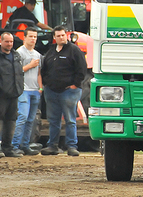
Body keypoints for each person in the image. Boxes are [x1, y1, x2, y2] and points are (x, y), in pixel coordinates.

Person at [40, 26, 87, 156]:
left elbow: (82, 69)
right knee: (53, 120)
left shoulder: (74, 51)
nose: (61, 37)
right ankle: (52, 146)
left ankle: (72, 146)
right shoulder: (50, 52)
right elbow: (44, 69)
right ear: (54, 38)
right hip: (51, 91)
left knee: (70, 119)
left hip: (69, 91)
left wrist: (75, 85)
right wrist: (46, 84)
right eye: (58, 36)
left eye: (63, 35)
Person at [11, 27, 43, 155]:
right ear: (24, 37)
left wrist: (40, 88)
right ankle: (14, 145)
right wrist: (30, 65)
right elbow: (16, 71)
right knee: (22, 117)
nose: (33, 39)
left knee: (31, 119)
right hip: (23, 90)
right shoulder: (19, 53)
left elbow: (39, 73)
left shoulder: (37, 54)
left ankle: (25, 145)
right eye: (30, 36)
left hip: (35, 90)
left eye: (35, 37)